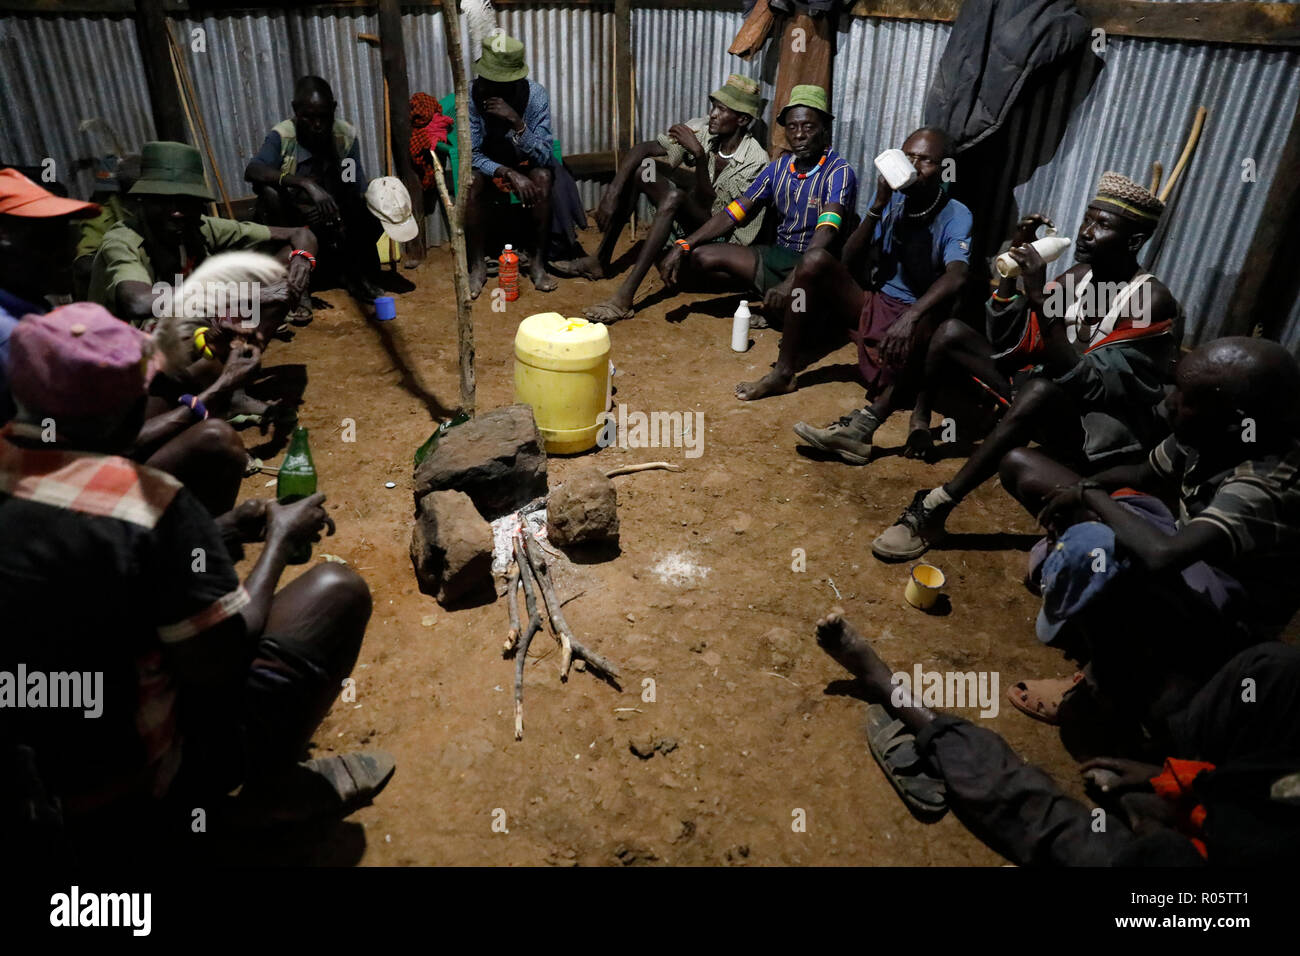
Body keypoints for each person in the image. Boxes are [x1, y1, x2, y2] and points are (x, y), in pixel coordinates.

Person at [0, 304, 394, 853]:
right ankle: (240, 797)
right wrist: (280, 539)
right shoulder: (146, 503)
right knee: (337, 591)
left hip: (31, 772)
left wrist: (224, 530)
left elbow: (89, 569)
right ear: (131, 406)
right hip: (125, 786)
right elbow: (221, 658)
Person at [814, 608, 1300, 866]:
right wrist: (1178, 781)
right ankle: (1156, 760)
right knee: (1275, 672)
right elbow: (1273, 789)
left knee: (1037, 810)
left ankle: (893, 693)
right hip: (1245, 815)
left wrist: (1157, 835)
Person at [871, 171, 1180, 560]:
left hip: (1097, 429)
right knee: (950, 332)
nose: (1086, 232)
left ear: (1134, 241)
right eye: (1087, 218)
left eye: (1102, 225)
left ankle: (937, 504)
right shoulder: (1081, 277)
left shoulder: (1148, 300)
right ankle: (896, 419)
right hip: (1045, 396)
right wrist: (1009, 276)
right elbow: (1011, 338)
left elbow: (1091, 386)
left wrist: (1038, 297)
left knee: (1039, 389)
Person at [999, 336, 1300, 727]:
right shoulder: (1214, 433)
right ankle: (1104, 615)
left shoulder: (1261, 485)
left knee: (1099, 550)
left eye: (1185, 396)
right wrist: (1078, 492)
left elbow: (1162, 557)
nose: (1168, 400)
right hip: (1185, 556)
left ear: (1235, 418)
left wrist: (1089, 496)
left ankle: (1099, 687)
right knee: (1023, 466)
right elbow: (1142, 474)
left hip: (1227, 616)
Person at [736, 126, 970, 404]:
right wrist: (878, 206)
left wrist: (911, 317)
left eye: (926, 160)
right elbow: (847, 259)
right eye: (908, 157)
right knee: (813, 261)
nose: (914, 167)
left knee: (894, 383)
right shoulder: (891, 198)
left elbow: (958, 276)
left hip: (915, 314)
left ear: (945, 169)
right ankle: (784, 372)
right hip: (874, 303)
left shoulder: (955, 213)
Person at [550, 74, 769, 324]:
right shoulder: (706, 132)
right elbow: (643, 149)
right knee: (645, 170)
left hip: (722, 237)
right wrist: (612, 191)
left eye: (721, 109)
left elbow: (719, 213)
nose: (713, 115)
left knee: (675, 197)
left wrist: (698, 156)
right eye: (714, 107)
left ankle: (624, 299)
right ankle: (600, 260)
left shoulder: (756, 161)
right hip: (699, 218)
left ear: (742, 119)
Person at [660, 85, 856, 330]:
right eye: (792, 127)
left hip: (816, 264)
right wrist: (685, 244)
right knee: (701, 256)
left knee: (806, 322)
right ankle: (777, 301)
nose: (799, 135)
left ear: (824, 129)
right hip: (779, 254)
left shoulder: (838, 172)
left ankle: (796, 309)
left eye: (808, 126)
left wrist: (791, 281)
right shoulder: (779, 168)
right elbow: (733, 213)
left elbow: (827, 231)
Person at [90, 141, 317, 335]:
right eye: (163, 201)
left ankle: (243, 357)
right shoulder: (122, 240)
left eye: (186, 201)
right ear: (143, 201)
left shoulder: (199, 226)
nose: (177, 211)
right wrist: (248, 294)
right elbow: (138, 302)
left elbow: (301, 234)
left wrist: (301, 262)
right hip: (126, 350)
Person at [245, 76, 384, 306]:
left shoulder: (344, 136)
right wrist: (304, 184)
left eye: (324, 117)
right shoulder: (282, 136)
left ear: (334, 109)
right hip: (290, 217)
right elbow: (253, 170)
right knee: (270, 194)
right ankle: (299, 288)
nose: (317, 125)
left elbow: (351, 184)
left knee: (365, 205)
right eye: (309, 117)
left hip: (329, 213)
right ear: (295, 110)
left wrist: (334, 209)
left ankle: (357, 277)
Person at [464, 34, 561, 297]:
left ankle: (538, 264)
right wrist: (505, 171)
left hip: (526, 162)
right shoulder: (473, 95)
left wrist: (518, 123)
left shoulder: (536, 95)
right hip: (489, 166)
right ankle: (477, 266)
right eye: (484, 79)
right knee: (469, 182)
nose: (485, 87)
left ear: (513, 82)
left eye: (494, 82)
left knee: (543, 177)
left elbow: (543, 155)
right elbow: (471, 154)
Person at [0, 168, 100, 425]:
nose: (68, 252)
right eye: (47, 239)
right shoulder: (11, 334)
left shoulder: (31, 303)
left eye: (68, 237)